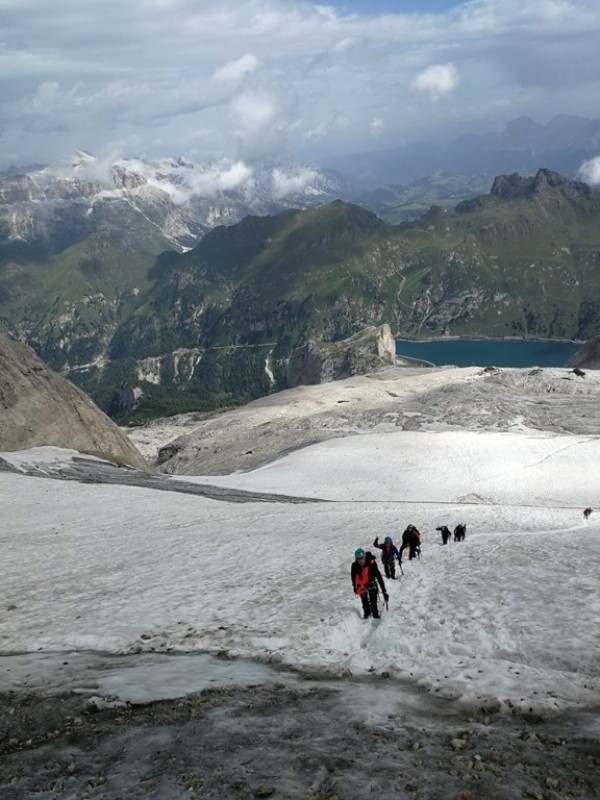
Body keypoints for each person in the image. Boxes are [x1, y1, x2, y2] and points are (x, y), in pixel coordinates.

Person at [351, 548, 388, 619]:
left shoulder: (371, 563)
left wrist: (384, 591)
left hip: (371, 583)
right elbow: (353, 577)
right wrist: (354, 587)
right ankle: (367, 614)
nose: (360, 561)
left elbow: (378, 576)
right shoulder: (354, 566)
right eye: (358, 559)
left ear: (364, 557)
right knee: (364, 602)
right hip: (361, 585)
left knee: (373, 601)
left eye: (361, 558)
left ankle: (375, 615)